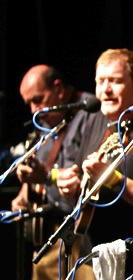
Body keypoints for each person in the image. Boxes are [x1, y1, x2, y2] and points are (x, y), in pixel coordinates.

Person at [56, 48, 133, 276]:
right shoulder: (95, 121)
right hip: (89, 255)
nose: (105, 90)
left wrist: (112, 178)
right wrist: (71, 189)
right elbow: (88, 190)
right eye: (100, 81)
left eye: (114, 81)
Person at [11, 64, 96, 280]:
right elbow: (40, 162)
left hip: (82, 234)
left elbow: (87, 173)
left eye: (38, 99)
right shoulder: (44, 121)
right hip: (51, 232)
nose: (33, 110)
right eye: (29, 103)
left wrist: (47, 177)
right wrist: (24, 191)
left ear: (58, 89)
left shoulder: (90, 114)